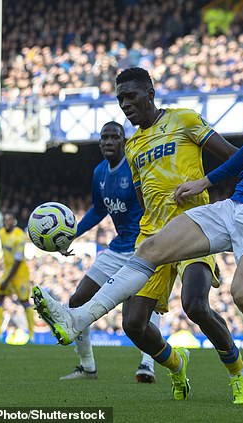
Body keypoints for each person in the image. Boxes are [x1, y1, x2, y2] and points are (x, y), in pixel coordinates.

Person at [33, 35, 243, 408]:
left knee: (242, 294)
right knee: (151, 248)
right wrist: (206, 181)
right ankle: (77, 319)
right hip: (235, 205)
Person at [36, 67, 243, 404]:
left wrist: (208, 187)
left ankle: (239, 372)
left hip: (196, 227)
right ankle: (177, 365)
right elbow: (143, 200)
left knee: (195, 305)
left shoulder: (185, 120)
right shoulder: (134, 146)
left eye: (131, 96)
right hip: (153, 238)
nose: (124, 103)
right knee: (134, 325)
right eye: (120, 98)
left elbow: (234, 157)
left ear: (150, 93)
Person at [59, 121, 159, 383]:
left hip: (143, 247)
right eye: (104, 137)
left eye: (114, 137)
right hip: (117, 247)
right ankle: (87, 366)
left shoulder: (135, 165)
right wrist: (73, 233)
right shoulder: (100, 172)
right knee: (77, 299)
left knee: (143, 308)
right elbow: (98, 210)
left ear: (124, 141)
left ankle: (147, 363)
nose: (108, 141)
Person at [0, 213, 34, 343]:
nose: (6, 222)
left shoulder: (20, 236)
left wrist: (7, 281)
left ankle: (31, 336)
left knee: (24, 302)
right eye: (4, 220)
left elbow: (18, 261)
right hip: (7, 272)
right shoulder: (1, 232)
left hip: (20, 275)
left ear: (14, 221)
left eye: (9, 220)